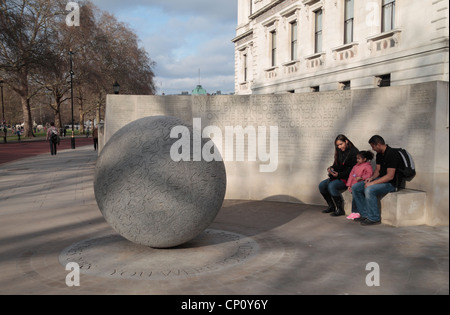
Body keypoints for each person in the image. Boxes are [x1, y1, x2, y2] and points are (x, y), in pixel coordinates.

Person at [352, 135, 401, 226]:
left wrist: (372, 183)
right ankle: (365, 214)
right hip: (381, 179)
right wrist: (371, 178)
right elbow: (378, 170)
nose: (372, 149)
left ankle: (374, 218)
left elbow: (390, 176)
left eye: (373, 146)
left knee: (369, 189)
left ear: (378, 144)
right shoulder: (379, 154)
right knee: (356, 187)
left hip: (391, 184)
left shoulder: (392, 153)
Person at [318, 134, 359, 217]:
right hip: (338, 176)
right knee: (321, 185)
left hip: (348, 178)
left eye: (341, 144)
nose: (339, 147)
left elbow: (352, 170)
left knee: (331, 186)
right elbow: (338, 165)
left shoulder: (354, 152)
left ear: (346, 141)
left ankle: (340, 209)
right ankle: (331, 206)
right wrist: (332, 168)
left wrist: (339, 174)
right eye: (337, 145)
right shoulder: (339, 151)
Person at [346, 150, 374, 220]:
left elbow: (369, 174)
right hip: (354, 185)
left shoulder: (367, 166)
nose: (357, 160)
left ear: (364, 159)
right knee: (354, 199)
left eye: (359, 158)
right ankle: (355, 212)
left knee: (357, 199)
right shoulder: (355, 166)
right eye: (357, 158)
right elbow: (351, 175)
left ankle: (359, 213)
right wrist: (349, 185)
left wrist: (362, 177)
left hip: (361, 185)